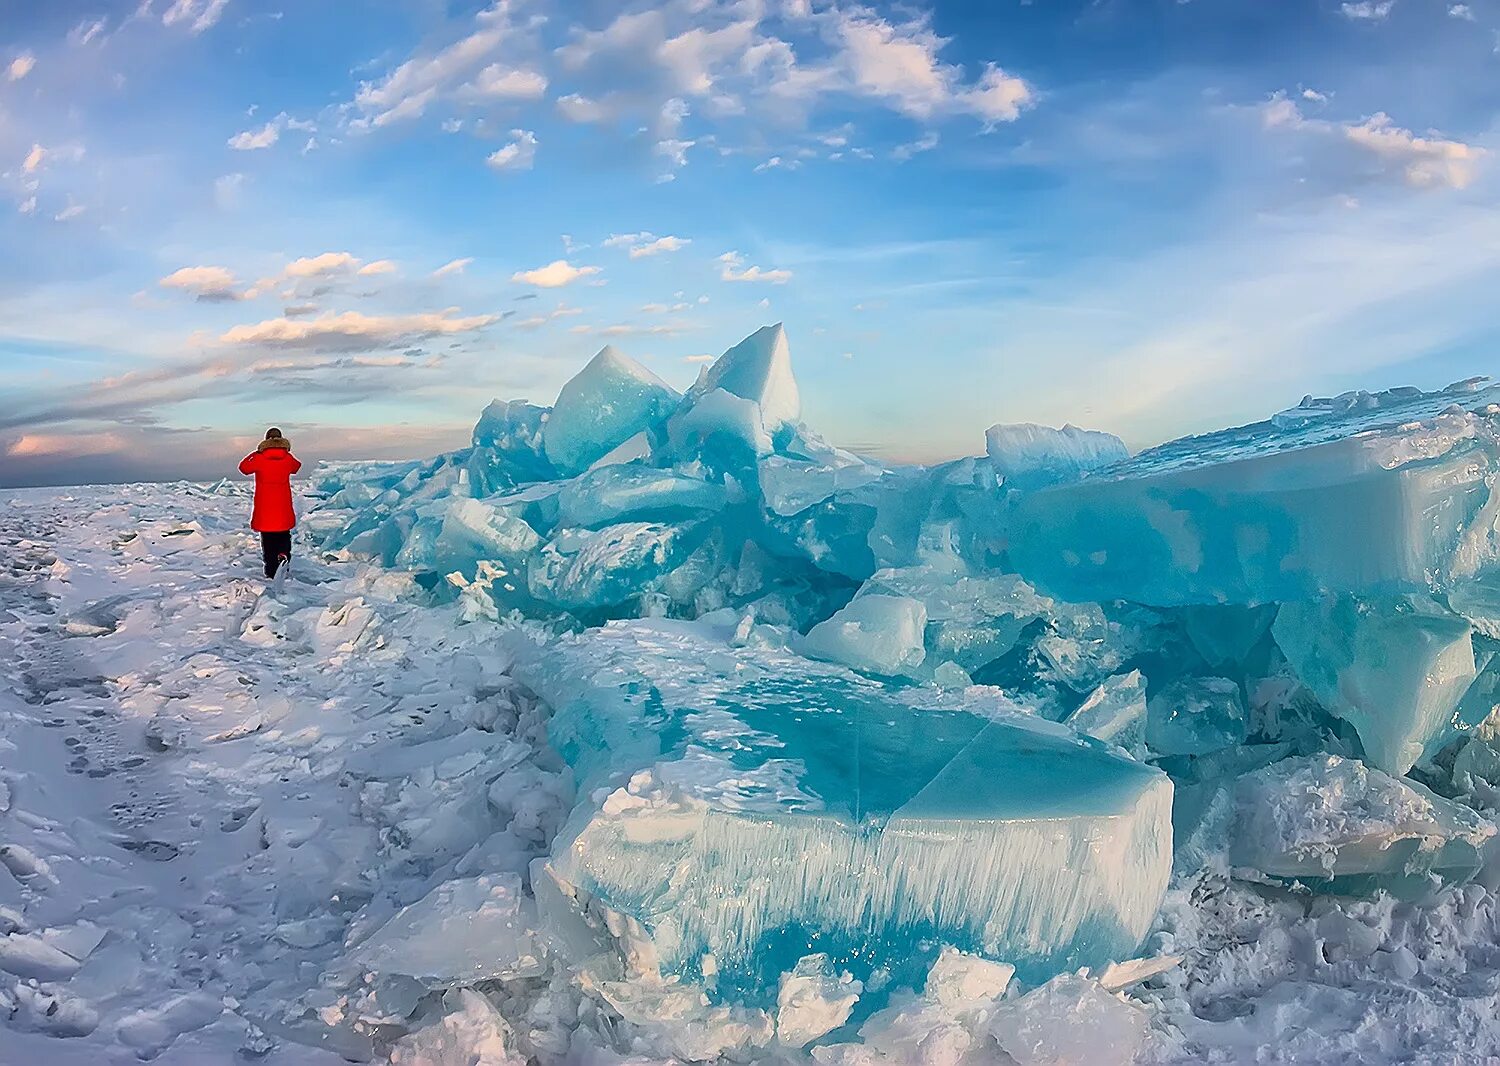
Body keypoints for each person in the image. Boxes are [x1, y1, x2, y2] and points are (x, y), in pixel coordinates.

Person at [238, 428, 302, 579]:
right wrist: (286, 451)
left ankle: (271, 570)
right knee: (283, 535)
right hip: (283, 506)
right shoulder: (287, 458)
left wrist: (257, 452)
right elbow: (296, 467)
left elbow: (243, 468)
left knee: (268, 540)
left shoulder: (260, 458)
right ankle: (283, 557)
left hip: (265, 507)